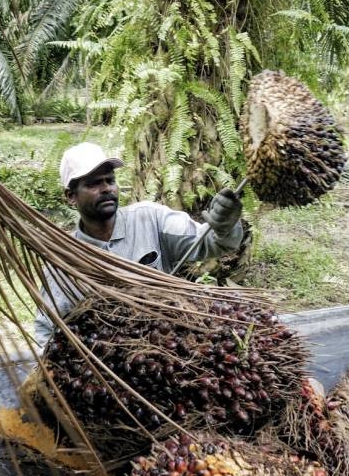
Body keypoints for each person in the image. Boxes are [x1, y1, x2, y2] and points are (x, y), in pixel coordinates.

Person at [33, 141, 244, 347]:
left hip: (167, 344)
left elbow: (210, 243)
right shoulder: (64, 259)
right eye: (93, 183)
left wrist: (225, 225)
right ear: (71, 196)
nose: (106, 188)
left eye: (110, 180)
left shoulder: (151, 218)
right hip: (110, 365)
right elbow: (47, 328)